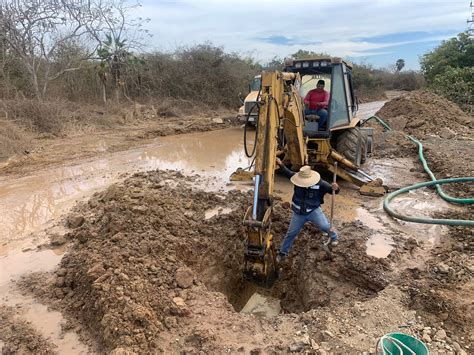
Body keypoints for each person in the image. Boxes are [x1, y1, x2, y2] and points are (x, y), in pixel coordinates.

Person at [276, 158, 339, 262]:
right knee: (291, 233)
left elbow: (334, 191)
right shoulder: (296, 179)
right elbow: (287, 172)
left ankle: (334, 237)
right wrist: (281, 164)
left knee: (325, 226)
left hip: (313, 211)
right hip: (299, 213)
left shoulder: (320, 184)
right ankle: (283, 253)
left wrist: (336, 188)